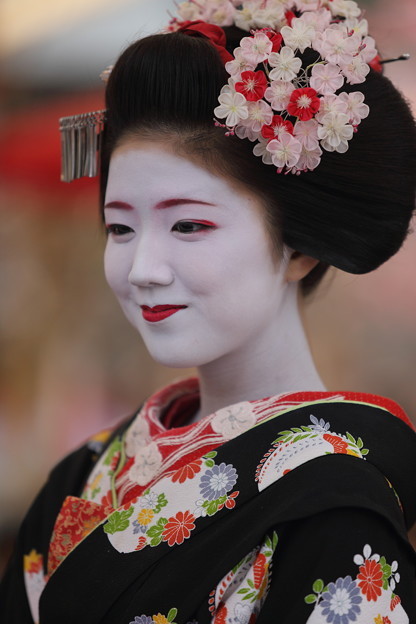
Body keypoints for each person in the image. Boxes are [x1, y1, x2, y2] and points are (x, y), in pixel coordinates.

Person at [1, 1, 416, 622]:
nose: (142, 268)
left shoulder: (332, 507)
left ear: (297, 245)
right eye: (119, 228)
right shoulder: (83, 473)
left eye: (189, 224)